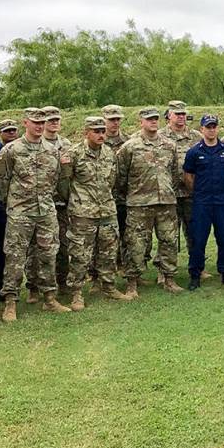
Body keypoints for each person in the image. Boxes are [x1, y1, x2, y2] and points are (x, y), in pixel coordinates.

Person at [0, 108, 71, 321]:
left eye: (42, 122)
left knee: (49, 254)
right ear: (25, 123)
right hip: (20, 212)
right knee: (15, 256)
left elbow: (58, 181)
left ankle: (50, 298)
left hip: (46, 211)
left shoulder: (52, 151)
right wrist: (12, 204)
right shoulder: (11, 150)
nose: (39, 126)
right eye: (35, 122)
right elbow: (2, 182)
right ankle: (10, 302)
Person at [60, 117, 132, 309]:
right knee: (80, 254)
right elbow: (63, 185)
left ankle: (108, 286)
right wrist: (78, 201)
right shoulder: (74, 154)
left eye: (102, 131)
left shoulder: (110, 153)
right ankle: (76, 293)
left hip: (107, 210)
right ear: (86, 133)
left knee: (108, 251)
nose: (101, 135)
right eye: (96, 131)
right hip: (83, 213)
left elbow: (112, 181)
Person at [115, 107, 184, 296]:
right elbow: (121, 177)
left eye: (155, 118)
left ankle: (169, 278)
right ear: (141, 122)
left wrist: (168, 191)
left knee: (169, 241)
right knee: (136, 243)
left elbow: (174, 174)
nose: (153, 121)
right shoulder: (130, 146)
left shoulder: (170, 145)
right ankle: (132, 283)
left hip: (166, 202)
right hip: (139, 203)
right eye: (149, 119)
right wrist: (132, 195)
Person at [183, 114, 224, 290]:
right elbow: (188, 176)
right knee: (198, 239)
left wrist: (222, 187)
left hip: (222, 201)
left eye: (214, 126)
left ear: (218, 128)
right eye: (208, 127)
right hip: (202, 202)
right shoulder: (194, 152)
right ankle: (195, 275)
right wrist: (199, 191)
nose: (211, 129)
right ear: (202, 130)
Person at [161, 100, 202, 267]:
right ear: (169, 116)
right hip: (168, 193)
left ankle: (197, 266)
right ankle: (165, 270)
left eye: (183, 114)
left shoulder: (196, 137)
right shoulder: (159, 136)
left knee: (195, 232)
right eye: (177, 114)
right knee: (168, 235)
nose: (181, 117)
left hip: (192, 192)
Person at [40, 106, 72, 295]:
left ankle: (63, 283)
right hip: (43, 203)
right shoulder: (37, 143)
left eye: (57, 119)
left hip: (63, 203)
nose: (54, 123)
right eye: (50, 119)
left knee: (64, 246)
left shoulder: (66, 144)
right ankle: (37, 287)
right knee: (41, 249)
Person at [101, 105, 129, 274]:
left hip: (125, 195)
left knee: (127, 233)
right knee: (105, 236)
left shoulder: (128, 141)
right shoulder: (96, 141)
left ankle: (125, 265)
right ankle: (101, 270)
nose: (115, 123)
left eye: (118, 119)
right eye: (112, 119)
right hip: (103, 197)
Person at [0, 119, 17, 300]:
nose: (11, 133)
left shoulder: (0, 149)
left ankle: (1, 288)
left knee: (1, 249)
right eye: (7, 131)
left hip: (1, 207)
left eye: (13, 130)